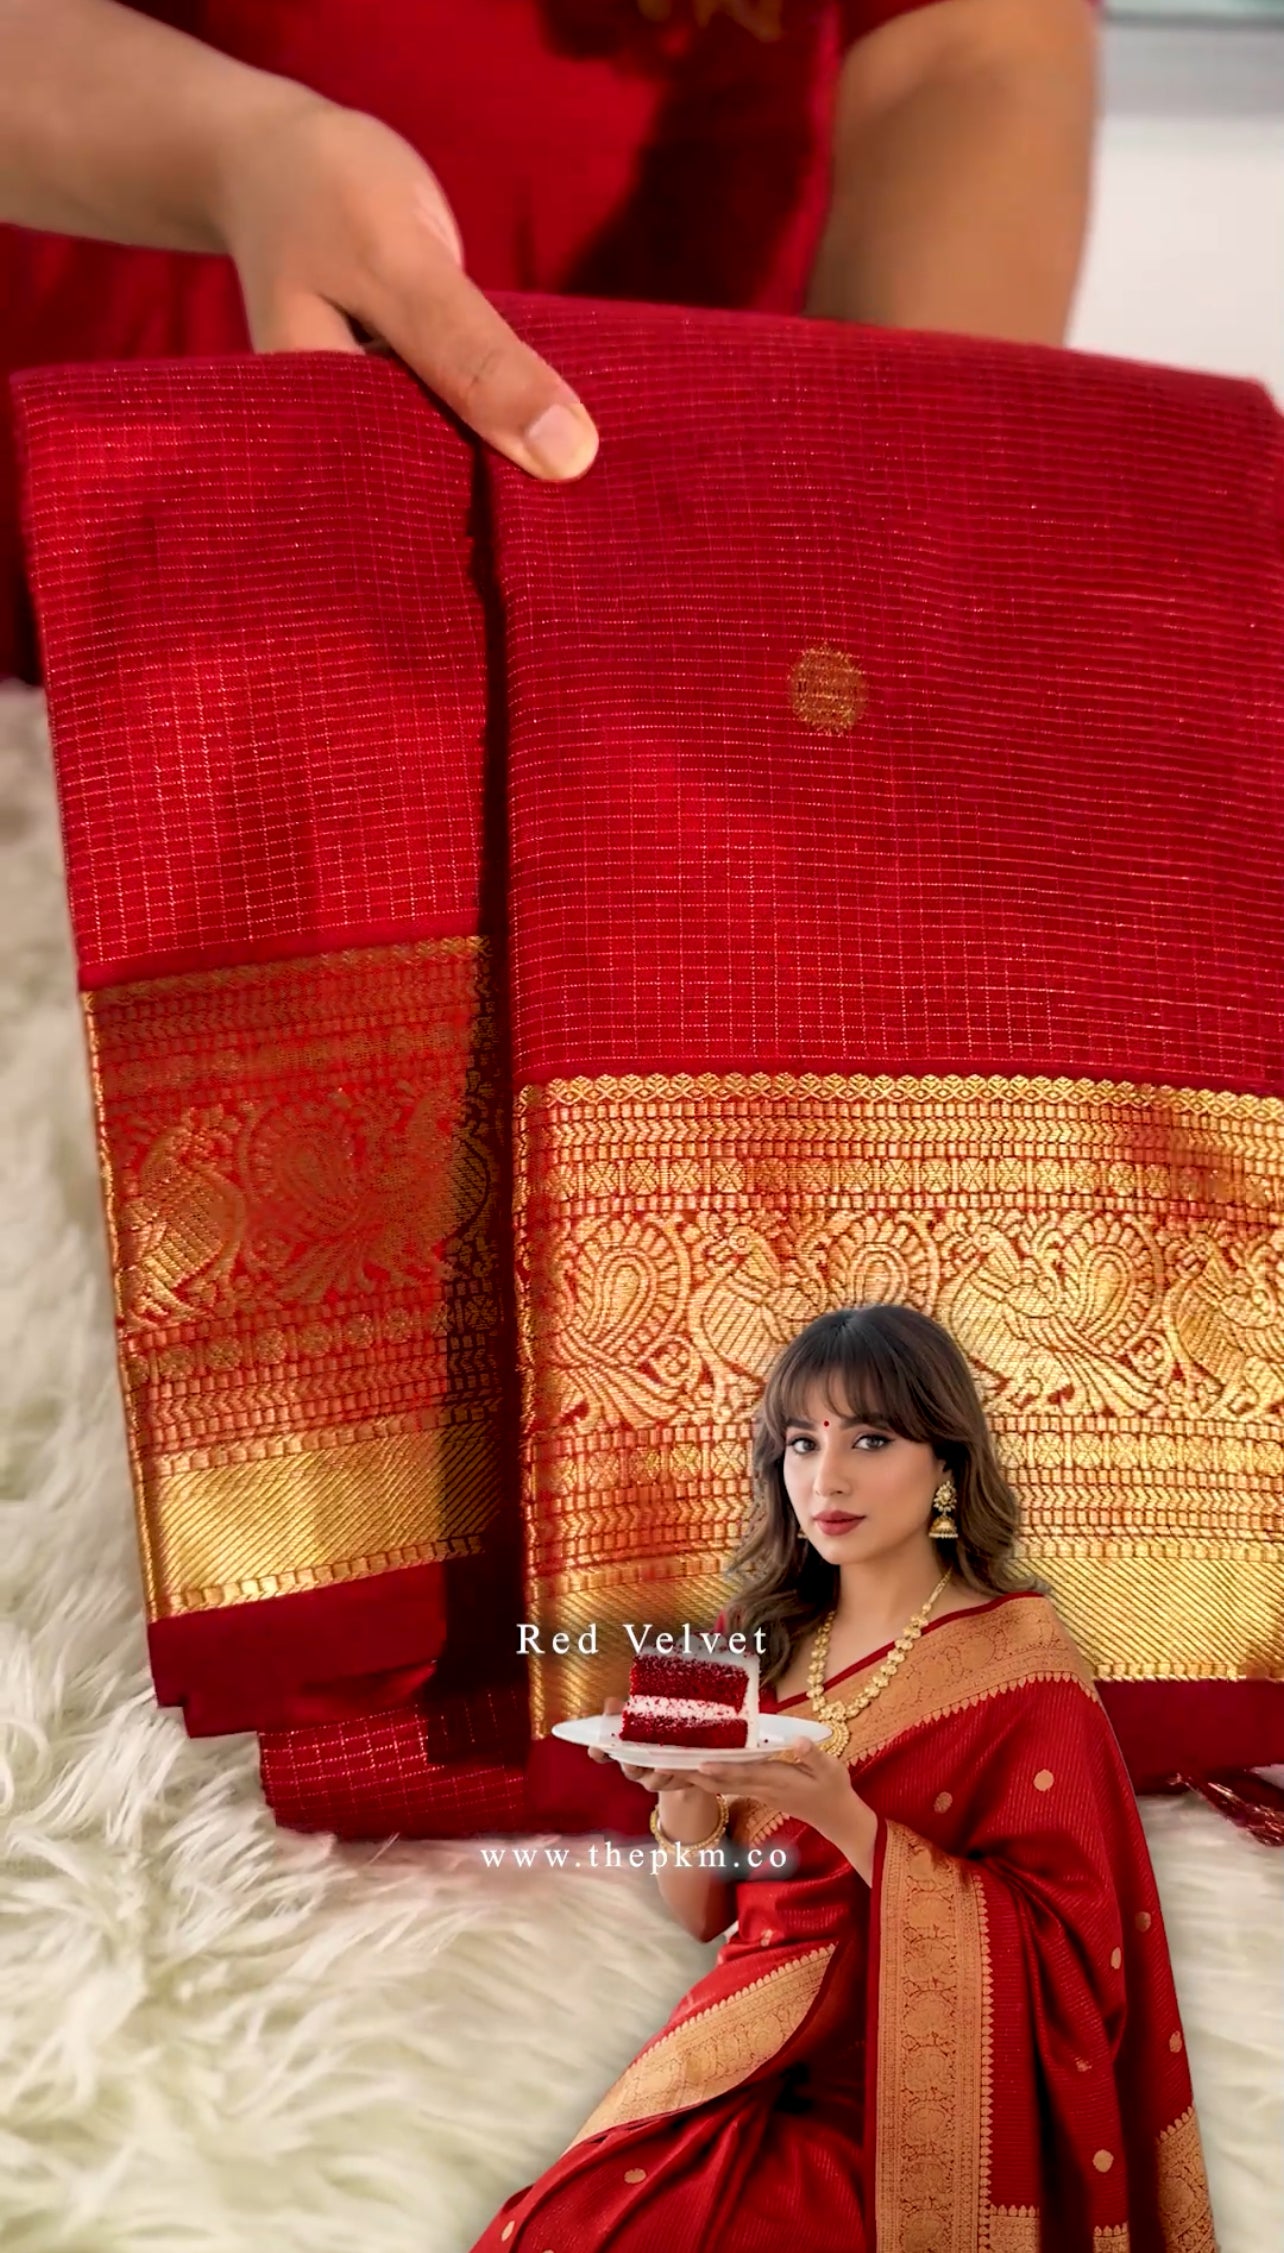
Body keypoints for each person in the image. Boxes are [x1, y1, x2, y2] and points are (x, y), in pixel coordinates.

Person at [0, 0, 1099, 679]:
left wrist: (902, 488)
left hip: (707, 509)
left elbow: (977, 44)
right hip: (185, 473)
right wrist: (240, 156)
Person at [464, 1302, 1216, 2250]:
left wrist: (848, 1821)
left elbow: (1071, 1950)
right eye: (801, 1443)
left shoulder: (1026, 1672)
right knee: (556, 2229)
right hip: (738, 2058)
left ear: (946, 1462)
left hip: (919, 2099)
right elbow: (704, 1916)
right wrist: (684, 1795)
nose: (828, 1477)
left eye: (870, 1438)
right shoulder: (754, 1642)